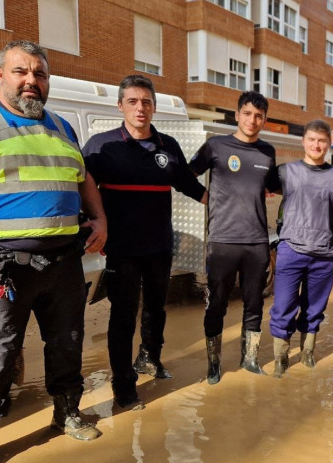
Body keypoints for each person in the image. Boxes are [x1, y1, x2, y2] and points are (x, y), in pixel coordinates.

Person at [0, 40, 107, 462]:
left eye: (40, 74)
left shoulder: (62, 126)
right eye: (21, 71)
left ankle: (67, 413)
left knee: (68, 343)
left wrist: (100, 218)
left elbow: (82, 176)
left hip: (64, 264)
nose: (31, 81)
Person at [82, 75, 207, 408]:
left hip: (160, 246)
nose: (141, 108)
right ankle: (124, 386)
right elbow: (79, 185)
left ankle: (150, 357)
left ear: (153, 107)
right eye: (133, 101)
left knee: (156, 308)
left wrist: (229, 204)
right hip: (121, 249)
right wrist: (90, 225)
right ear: (120, 105)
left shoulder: (167, 146)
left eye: (147, 102)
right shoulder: (101, 145)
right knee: (122, 315)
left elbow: (189, 186)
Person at [190, 91, 280, 384]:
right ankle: (213, 364)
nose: (252, 120)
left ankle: (250, 359)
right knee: (216, 303)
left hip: (256, 242)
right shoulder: (215, 146)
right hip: (222, 241)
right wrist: (205, 197)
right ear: (237, 114)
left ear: (264, 120)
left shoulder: (267, 152)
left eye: (259, 116)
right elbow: (186, 174)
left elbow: (272, 186)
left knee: (254, 303)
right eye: (248, 113)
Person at [268, 119, 333, 377]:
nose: (316, 145)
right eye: (311, 139)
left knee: (314, 307)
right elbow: (255, 187)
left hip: (323, 253)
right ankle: (280, 357)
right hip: (291, 250)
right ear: (303, 141)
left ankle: (308, 351)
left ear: (329, 144)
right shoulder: (285, 172)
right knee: (283, 305)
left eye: (322, 141)